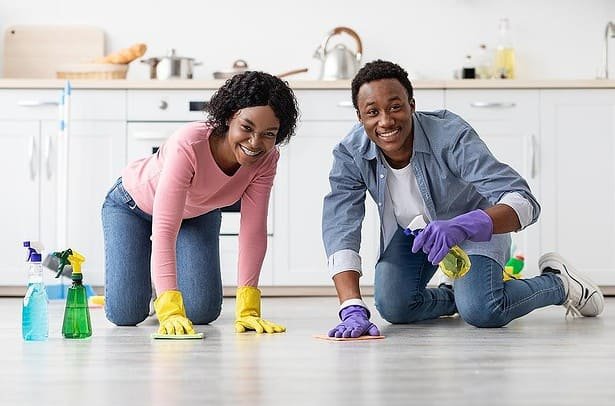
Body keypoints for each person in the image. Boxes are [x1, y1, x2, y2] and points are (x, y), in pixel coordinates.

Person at [322, 60, 604, 338]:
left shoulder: (449, 134)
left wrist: (465, 225)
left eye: (395, 107)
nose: (385, 121)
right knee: (395, 307)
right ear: (360, 117)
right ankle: (458, 293)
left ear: (412, 105)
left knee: (484, 310)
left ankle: (559, 284)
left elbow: (524, 201)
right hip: (417, 233)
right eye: (372, 112)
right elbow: (341, 226)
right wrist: (351, 305)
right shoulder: (350, 153)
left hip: (474, 225)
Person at [102, 71, 299, 335]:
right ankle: (150, 285)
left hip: (196, 213)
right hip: (132, 206)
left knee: (202, 312)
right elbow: (164, 229)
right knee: (126, 314)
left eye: (269, 133)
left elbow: (253, 231)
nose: (255, 143)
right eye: (247, 128)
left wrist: (248, 307)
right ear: (230, 117)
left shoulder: (266, 159)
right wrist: (170, 307)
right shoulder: (190, 143)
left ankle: (155, 281)